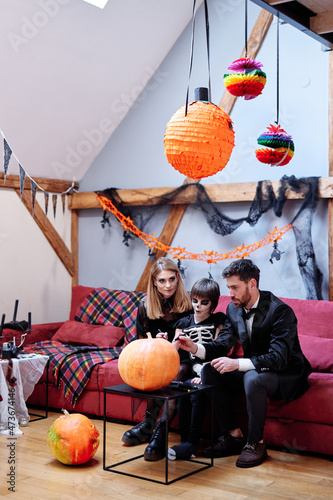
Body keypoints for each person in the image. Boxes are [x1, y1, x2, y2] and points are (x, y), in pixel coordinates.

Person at [175, 259, 311, 468]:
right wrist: (194, 348)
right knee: (210, 370)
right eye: (228, 287)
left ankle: (255, 443)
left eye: (235, 287)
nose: (230, 293)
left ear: (252, 284)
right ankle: (233, 436)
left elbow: (278, 358)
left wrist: (237, 364)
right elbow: (222, 344)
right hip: (255, 368)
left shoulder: (280, 311)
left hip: (286, 372)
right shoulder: (233, 309)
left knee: (252, 378)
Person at [121, 256, 192, 461]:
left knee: (174, 373)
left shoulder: (187, 303)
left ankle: (160, 431)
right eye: (162, 280)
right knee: (152, 371)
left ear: (177, 278)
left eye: (171, 279)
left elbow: (187, 342)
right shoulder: (144, 306)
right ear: (154, 281)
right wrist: (158, 343)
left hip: (183, 358)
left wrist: (170, 346)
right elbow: (140, 344)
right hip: (156, 359)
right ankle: (148, 424)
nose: (168, 285)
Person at [167, 278, 226, 461]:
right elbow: (172, 351)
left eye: (204, 302)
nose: (198, 306)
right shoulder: (183, 323)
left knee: (196, 392)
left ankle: (191, 445)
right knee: (183, 390)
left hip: (210, 370)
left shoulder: (219, 320)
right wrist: (167, 343)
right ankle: (185, 443)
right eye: (195, 301)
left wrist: (206, 374)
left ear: (213, 304)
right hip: (191, 370)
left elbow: (219, 347)